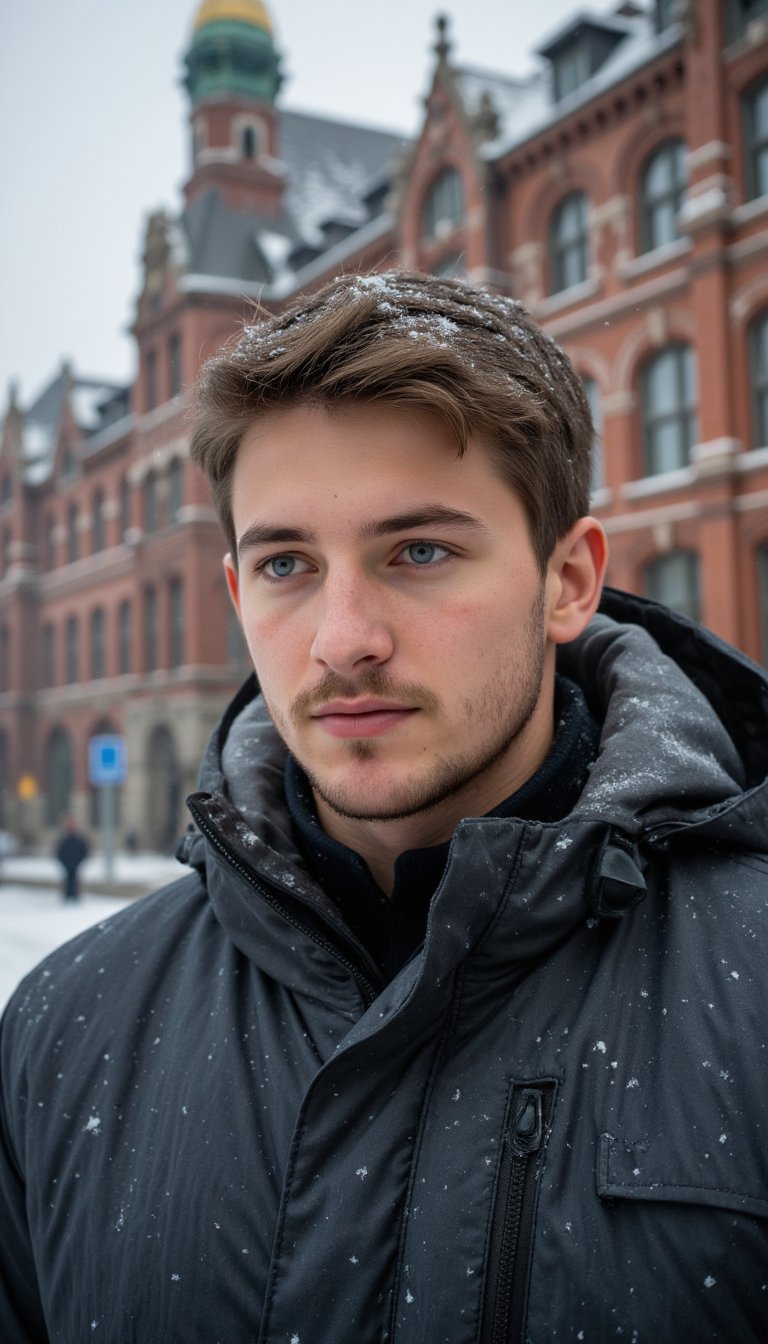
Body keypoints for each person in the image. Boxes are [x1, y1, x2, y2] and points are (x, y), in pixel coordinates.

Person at [1, 273, 766, 1342]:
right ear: (236, 595)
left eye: (419, 552)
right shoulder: (62, 1028)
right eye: (286, 565)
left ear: (567, 581)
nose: (341, 637)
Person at [54, 816, 89, 902]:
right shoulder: (63, 839)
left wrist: (79, 861)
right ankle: (67, 895)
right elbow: (59, 851)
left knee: (75, 879)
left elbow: (84, 850)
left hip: (76, 863)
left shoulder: (79, 838)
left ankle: (75, 895)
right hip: (67, 863)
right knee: (68, 880)